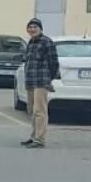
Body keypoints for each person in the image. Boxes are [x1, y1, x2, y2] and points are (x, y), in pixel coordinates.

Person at [21, 18, 59, 149]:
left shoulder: (47, 42)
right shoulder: (30, 42)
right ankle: (33, 137)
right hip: (30, 81)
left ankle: (39, 140)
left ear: (40, 29)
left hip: (41, 81)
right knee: (31, 110)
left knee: (39, 111)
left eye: (34, 27)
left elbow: (54, 63)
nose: (32, 29)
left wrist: (49, 79)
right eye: (30, 27)